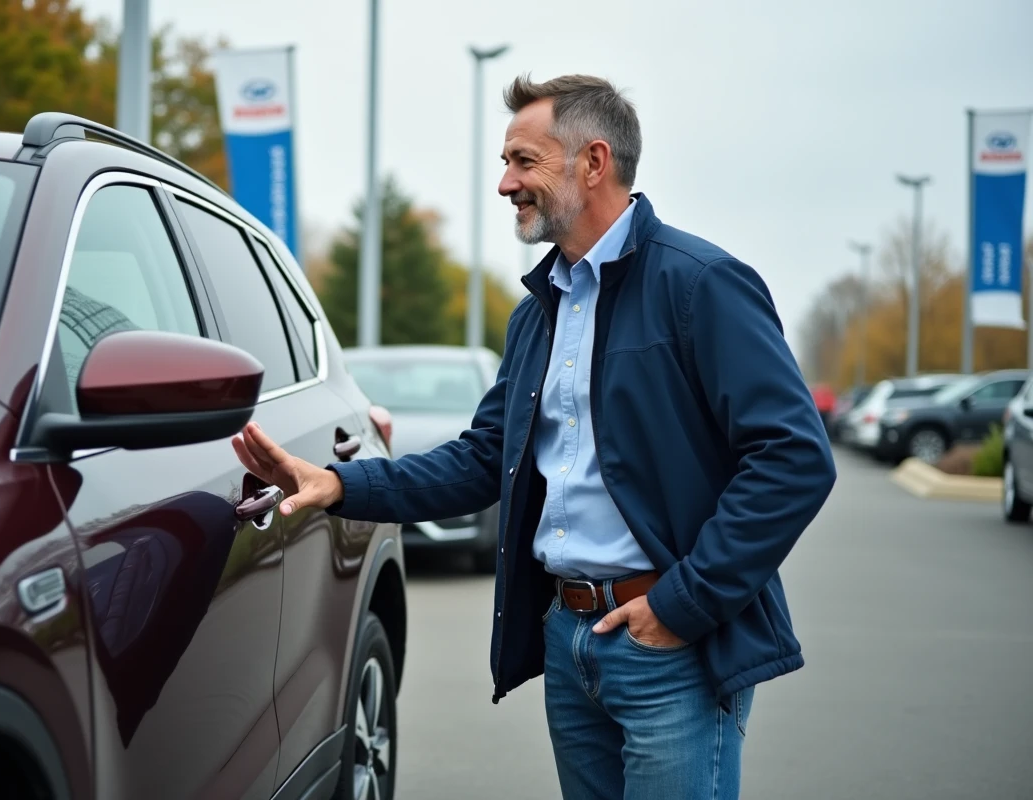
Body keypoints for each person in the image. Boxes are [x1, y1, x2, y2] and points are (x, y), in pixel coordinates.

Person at [232, 73, 837, 799]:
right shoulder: (539, 311)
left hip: (671, 644)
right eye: (504, 163)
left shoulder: (701, 284)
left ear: (593, 161)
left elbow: (794, 456)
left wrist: (685, 604)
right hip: (572, 639)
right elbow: (485, 458)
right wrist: (339, 483)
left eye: (523, 161)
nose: (504, 183)